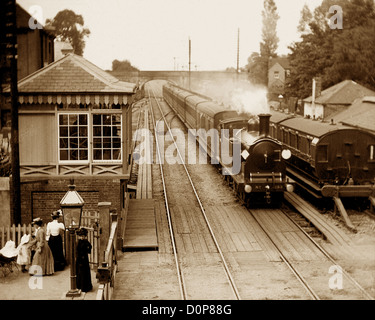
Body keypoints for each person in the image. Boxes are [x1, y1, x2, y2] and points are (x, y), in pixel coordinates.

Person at [75, 227, 92, 292]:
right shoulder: (78, 242)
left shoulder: (86, 241)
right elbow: (77, 251)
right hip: (80, 259)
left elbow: (90, 246)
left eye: (83, 236)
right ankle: (80, 286)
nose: (82, 237)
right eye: (81, 236)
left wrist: (88, 249)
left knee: (85, 272)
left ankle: (86, 287)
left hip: (85, 259)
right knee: (80, 272)